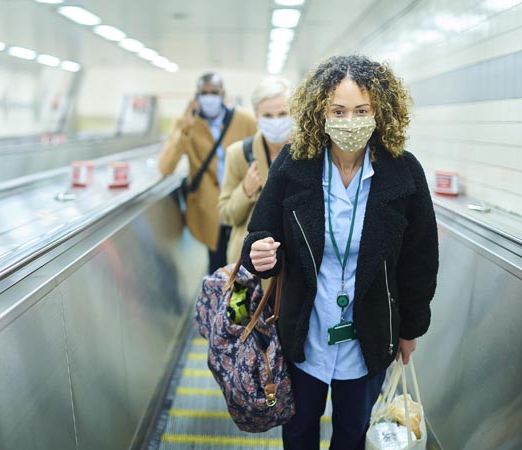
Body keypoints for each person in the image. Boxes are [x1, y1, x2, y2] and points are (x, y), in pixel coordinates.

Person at [241, 55, 439, 450]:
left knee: (352, 434)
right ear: (321, 112)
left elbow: (420, 259)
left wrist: (410, 329)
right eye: (339, 111)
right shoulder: (295, 164)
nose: (350, 121)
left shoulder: (403, 172)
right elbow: (259, 232)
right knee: (299, 432)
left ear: (380, 112)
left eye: (361, 110)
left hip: (370, 334)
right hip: (305, 332)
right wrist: (259, 253)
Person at [158, 73, 256, 274]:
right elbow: (166, 167)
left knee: (244, 267)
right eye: (204, 93)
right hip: (209, 210)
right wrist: (185, 127)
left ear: (223, 94)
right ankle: (219, 294)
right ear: (196, 96)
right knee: (217, 269)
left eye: (214, 92)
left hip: (242, 204)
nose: (209, 97)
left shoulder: (244, 120)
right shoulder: (187, 124)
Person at [218, 77, 293, 264]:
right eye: (267, 115)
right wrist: (245, 191)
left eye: (282, 114)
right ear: (257, 117)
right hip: (251, 264)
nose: (276, 121)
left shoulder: (308, 154)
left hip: (294, 263)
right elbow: (226, 215)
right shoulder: (239, 154)